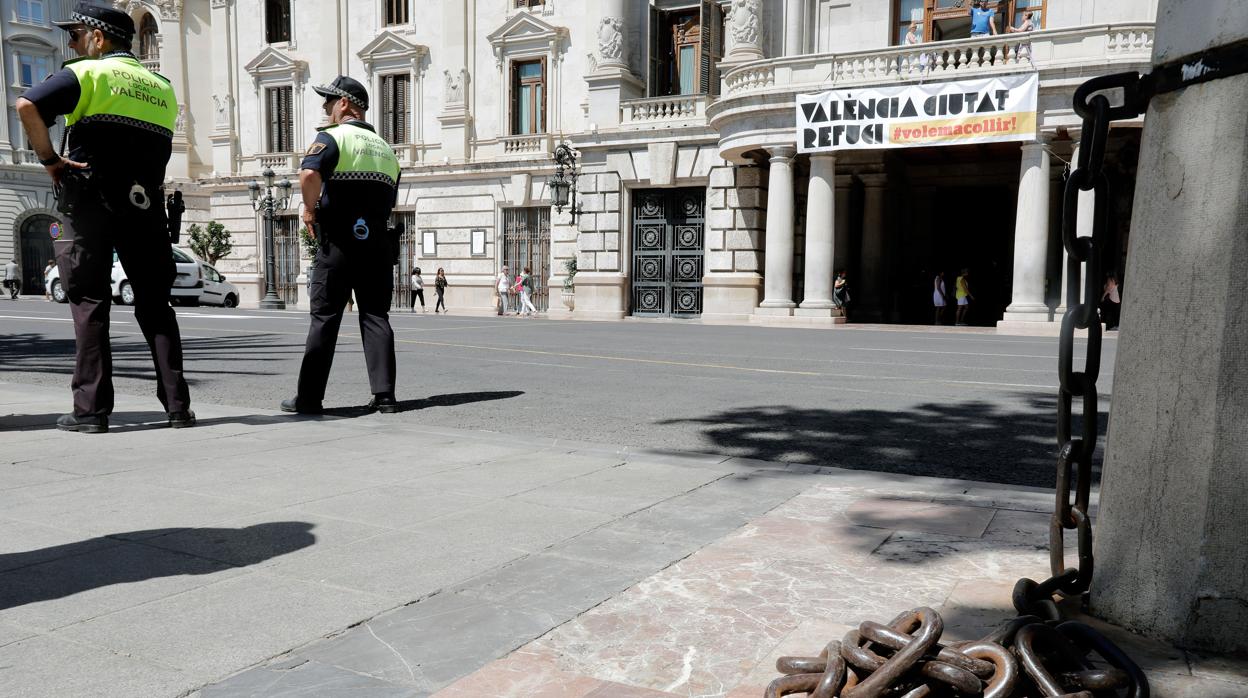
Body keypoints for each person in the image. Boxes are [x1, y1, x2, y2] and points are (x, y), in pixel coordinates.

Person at [15, 4, 193, 433]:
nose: (72, 44)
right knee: (156, 305)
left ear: (98, 37)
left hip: (91, 198)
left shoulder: (87, 74)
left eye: (75, 36)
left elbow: (27, 106)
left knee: (90, 301)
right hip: (146, 203)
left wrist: (50, 159)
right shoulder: (163, 86)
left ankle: (91, 411)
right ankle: (178, 408)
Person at [282, 75, 402, 416]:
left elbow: (308, 175)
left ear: (345, 104)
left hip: (338, 243)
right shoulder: (386, 150)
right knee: (376, 315)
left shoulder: (333, 138)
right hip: (377, 244)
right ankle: (385, 397)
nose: (325, 107)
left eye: (329, 102)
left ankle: (309, 398)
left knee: (325, 317)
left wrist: (309, 207)